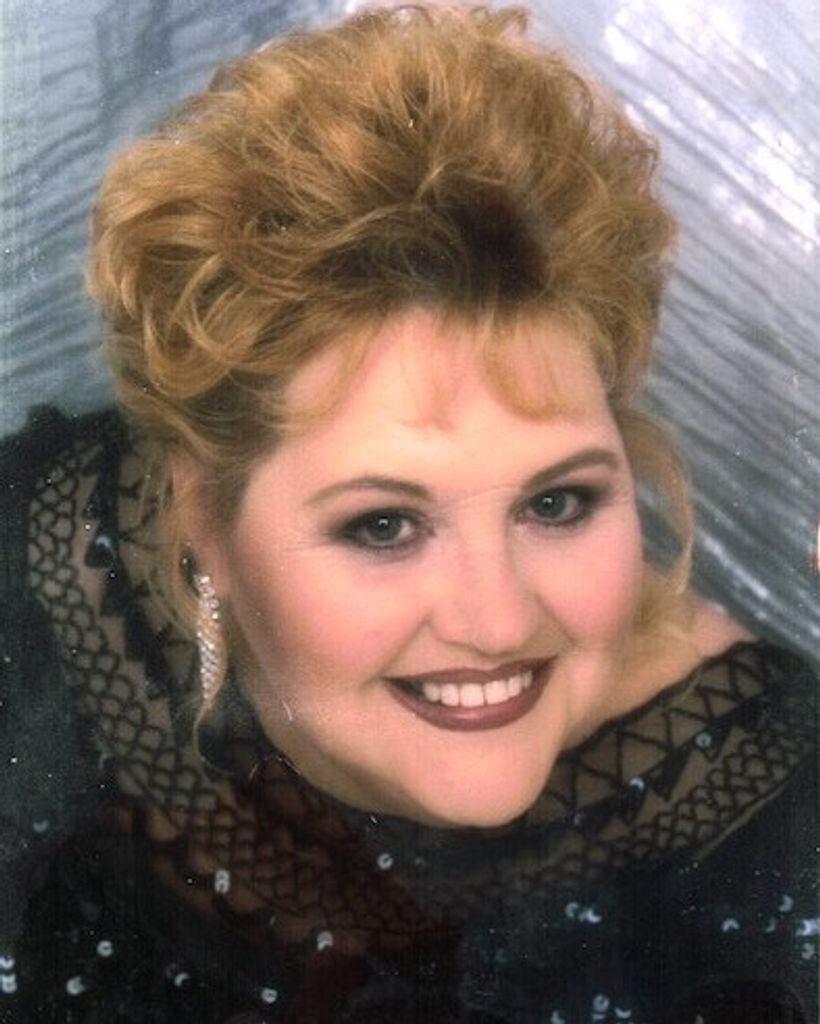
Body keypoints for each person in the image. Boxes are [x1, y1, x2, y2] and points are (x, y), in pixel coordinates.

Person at [0, 5, 815, 1022]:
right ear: (201, 520)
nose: (497, 620)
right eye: (384, 525)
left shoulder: (776, 818)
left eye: (557, 502)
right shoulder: (36, 578)